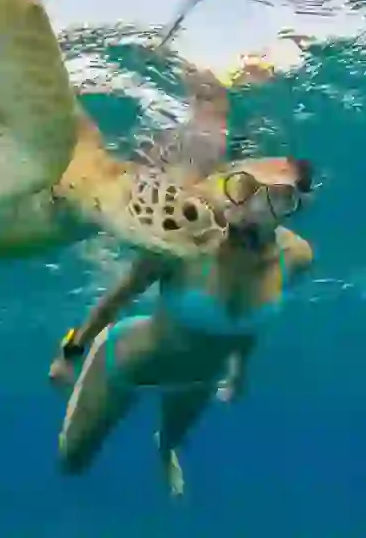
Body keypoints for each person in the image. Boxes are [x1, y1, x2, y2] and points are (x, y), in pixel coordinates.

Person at [47, 156, 315, 497]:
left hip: (200, 380)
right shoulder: (185, 238)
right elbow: (114, 300)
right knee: (72, 462)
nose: (254, 206)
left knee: (171, 441)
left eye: (276, 196)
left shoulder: (296, 256)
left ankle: (165, 450)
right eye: (246, 188)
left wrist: (239, 375)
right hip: (129, 364)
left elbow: (249, 325)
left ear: (298, 204)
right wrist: (68, 353)